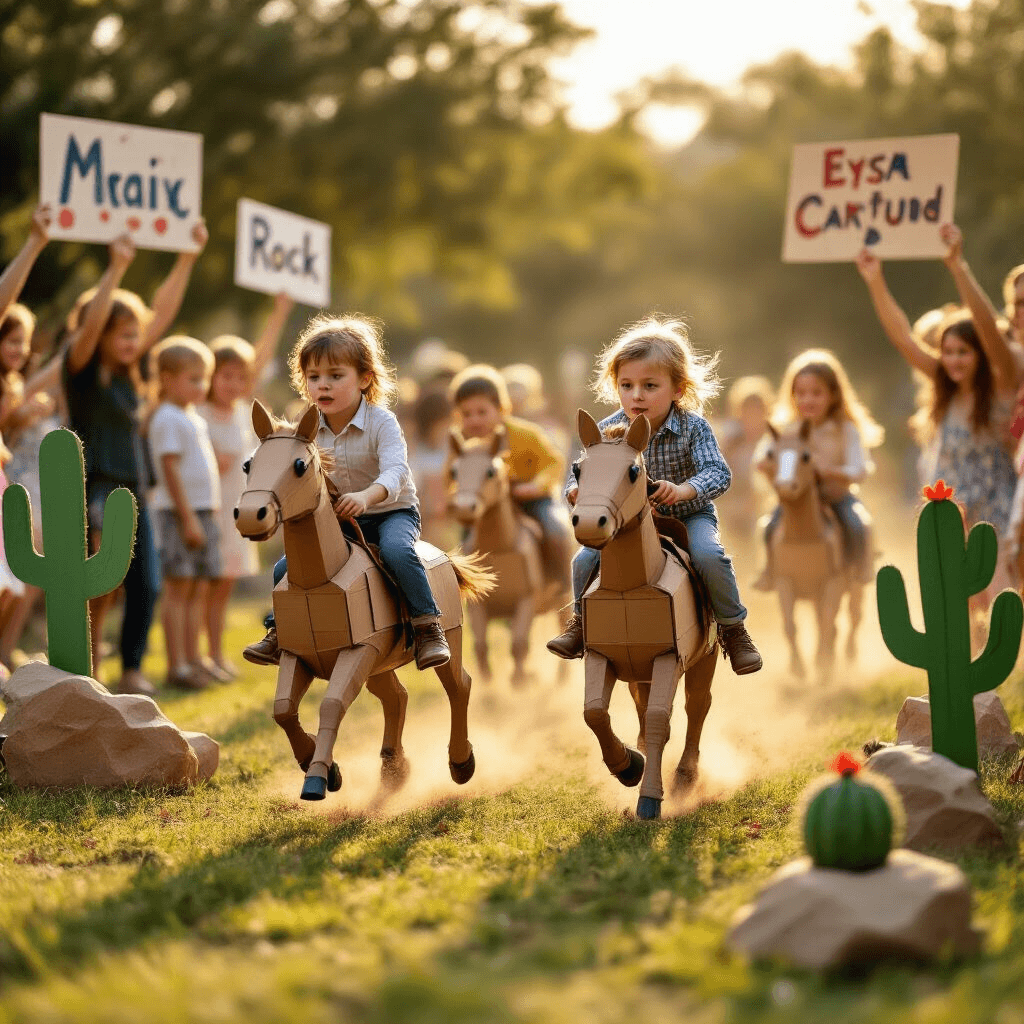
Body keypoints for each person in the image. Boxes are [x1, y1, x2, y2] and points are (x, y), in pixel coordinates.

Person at [546, 316, 762, 674]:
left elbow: (719, 473)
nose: (637, 395)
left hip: (688, 515)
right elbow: (580, 471)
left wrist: (683, 489)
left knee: (710, 556)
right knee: (583, 560)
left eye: (650, 385)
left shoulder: (694, 427)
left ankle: (733, 629)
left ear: (678, 389)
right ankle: (581, 624)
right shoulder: (607, 430)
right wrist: (576, 490)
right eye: (627, 385)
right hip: (625, 523)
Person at [242, 314, 450, 670]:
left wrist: (367, 497)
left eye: (336, 376)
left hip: (389, 512)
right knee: (283, 569)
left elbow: (398, 471)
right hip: (336, 520)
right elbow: (276, 452)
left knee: (398, 552)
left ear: (365, 379)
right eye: (314, 377)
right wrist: (256, 466)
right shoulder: (305, 428)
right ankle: (278, 632)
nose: (323, 385)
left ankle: (428, 626)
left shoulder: (382, 422)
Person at [63, 222, 208, 693]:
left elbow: (161, 313)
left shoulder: (131, 376)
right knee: (100, 582)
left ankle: (131, 668)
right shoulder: (83, 371)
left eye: (133, 334)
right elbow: (87, 330)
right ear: (99, 332)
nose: (131, 340)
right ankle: (89, 665)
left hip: (135, 488)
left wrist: (186, 258)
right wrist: (117, 268)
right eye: (119, 333)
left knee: (147, 583)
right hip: (96, 487)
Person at [856, 239, 1019, 609]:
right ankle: (965, 660)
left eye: (964, 351)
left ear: (981, 354)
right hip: (949, 505)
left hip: (993, 506)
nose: (954, 360)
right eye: (948, 352)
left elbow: (991, 333)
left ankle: (1010, 658)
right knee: (956, 600)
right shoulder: (943, 385)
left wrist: (958, 266)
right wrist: (874, 279)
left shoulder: (1001, 385)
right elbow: (903, 339)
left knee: (998, 593)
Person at [198, 292, 293, 679]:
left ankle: (216, 655)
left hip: (241, 509)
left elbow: (261, 359)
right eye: (226, 375)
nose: (235, 383)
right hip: (211, 509)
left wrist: (279, 312)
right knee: (204, 586)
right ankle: (199, 655)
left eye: (240, 377)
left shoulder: (242, 411)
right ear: (210, 376)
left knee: (223, 587)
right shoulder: (199, 414)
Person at [753, 350, 884, 590]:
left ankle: (858, 569)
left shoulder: (845, 430)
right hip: (796, 501)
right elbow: (762, 454)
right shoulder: (787, 430)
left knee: (857, 524)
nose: (808, 400)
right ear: (792, 396)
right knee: (770, 526)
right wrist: (767, 464)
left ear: (833, 395)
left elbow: (861, 468)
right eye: (801, 393)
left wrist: (831, 471)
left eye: (816, 393)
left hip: (837, 497)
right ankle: (771, 570)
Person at [449, 363, 572, 594]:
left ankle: (561, 580)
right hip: (486, 503)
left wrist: (536, 485)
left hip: (530, 498)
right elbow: (453, 476)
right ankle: (471, 587)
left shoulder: (525, 434)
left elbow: (553, 461)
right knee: (466, 541)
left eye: (482, 412)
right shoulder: (463, 445)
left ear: (502, 409)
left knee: (554, 527)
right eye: (467, 414)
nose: (475, 420)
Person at [148, 337, 222, 690]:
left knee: (197, 589)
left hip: (202, 511)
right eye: (193, 378)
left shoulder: (191, 417)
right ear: (166, 378)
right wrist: (188, 517)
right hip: (179, 513)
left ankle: (195, 659)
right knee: (178, 589)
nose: (201, 386)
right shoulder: (167, 417)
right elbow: (169, 469)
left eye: (203, 378)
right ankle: (176, 664)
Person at [715, 375, 775, 549]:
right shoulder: (731, 441)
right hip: (735, 503)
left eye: (758, 410)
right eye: (747, 410)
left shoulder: (772, 440)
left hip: (764, 502)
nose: (753, 416)